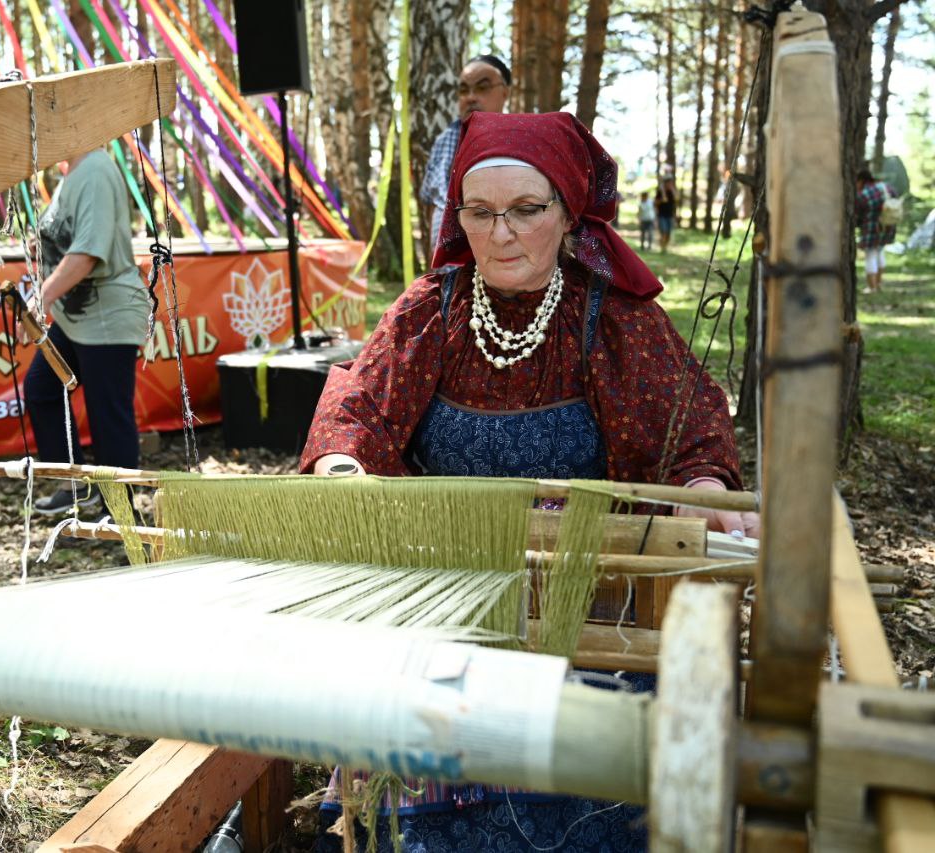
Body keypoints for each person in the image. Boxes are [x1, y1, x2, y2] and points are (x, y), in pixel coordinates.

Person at [300, 111, 758, 851]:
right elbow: (357, 408)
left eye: (525, 210)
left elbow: (691, 432)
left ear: (569, 211)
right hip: (450, 594)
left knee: (592, 776)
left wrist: (701, 485)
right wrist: (344, 466)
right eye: (479, 213)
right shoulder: (433, 311)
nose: (501, 233)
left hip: (589, 610)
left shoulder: (614, 320)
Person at [20, 149, 150, 517]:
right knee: (43, 390)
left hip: (107, 315)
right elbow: (72, 238)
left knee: (108, 413)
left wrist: (40, 298)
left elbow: (88, 253)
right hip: (77, 316)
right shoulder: (71, 171)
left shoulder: (95, 168)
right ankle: (75, 486)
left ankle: (122, 512)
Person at [419, 54, 511, 260]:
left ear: (505, 92)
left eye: (482, 87)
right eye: (463, 90)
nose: (470, 97)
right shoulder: (444, 140)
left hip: (496, 262)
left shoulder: (520, 142)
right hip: (447, 267)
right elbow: (431, 203)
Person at [855, 168, 898, 293]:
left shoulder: (865, 194)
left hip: (872, 229)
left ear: (861, 181)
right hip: (888, 226)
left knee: (871, 256)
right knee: (879, 252)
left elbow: (858, 213)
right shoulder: (886, 187)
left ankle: (871, 287)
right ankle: (878, 284)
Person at [654, 177, 677, 252]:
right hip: (662, 215)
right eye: (669, 183)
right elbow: (655, 203)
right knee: (663, 231)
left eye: (671, 183)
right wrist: (662, 200)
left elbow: (676, 199)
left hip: (670, 215)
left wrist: (673, 192)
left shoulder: (672, 192)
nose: (670, 185)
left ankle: (665, 247)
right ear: (665, 183)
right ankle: (662, 248)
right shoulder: (660, 192)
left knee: (669, 233)